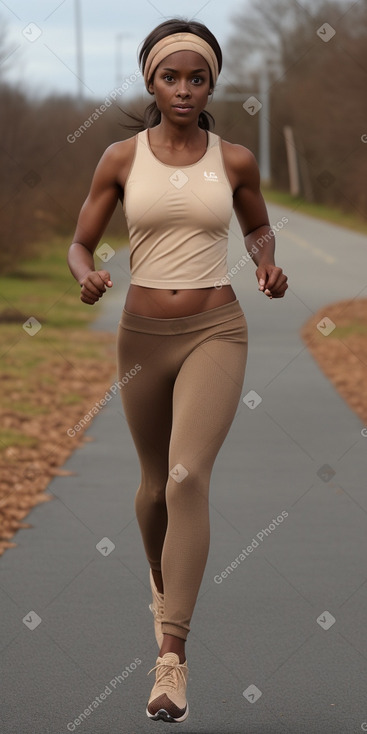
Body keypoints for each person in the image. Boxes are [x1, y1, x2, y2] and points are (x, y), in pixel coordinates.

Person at [67, 17, 288, 724]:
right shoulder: (119, 158)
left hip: (216, 329)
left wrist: (264, 262)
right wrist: (85, 278)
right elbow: (81, 241)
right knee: (153, 490)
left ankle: (171, 658)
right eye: (172, 77)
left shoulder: (235, 159)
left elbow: (256, 226)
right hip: (141, 338)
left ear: (212, 83)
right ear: (150, 81)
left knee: (188, 475)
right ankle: (165, 592)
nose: (185, 89)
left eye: (198, 78)